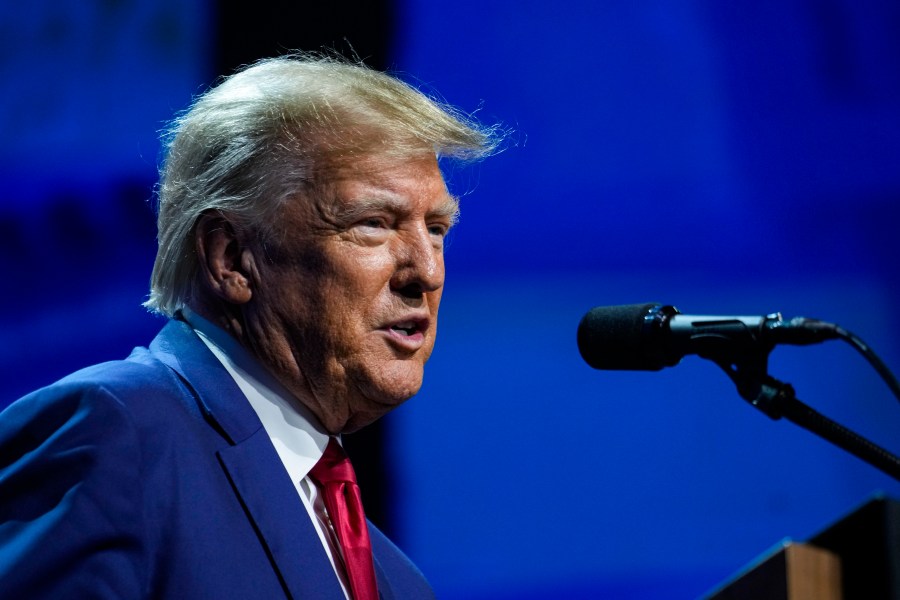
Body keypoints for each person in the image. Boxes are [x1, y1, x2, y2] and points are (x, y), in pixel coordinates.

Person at [0, 53, 501, 599]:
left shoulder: (397, 580)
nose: (426, 272)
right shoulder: (110, 435)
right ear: (231, 257)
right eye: (374, 224)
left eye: (436, 228)